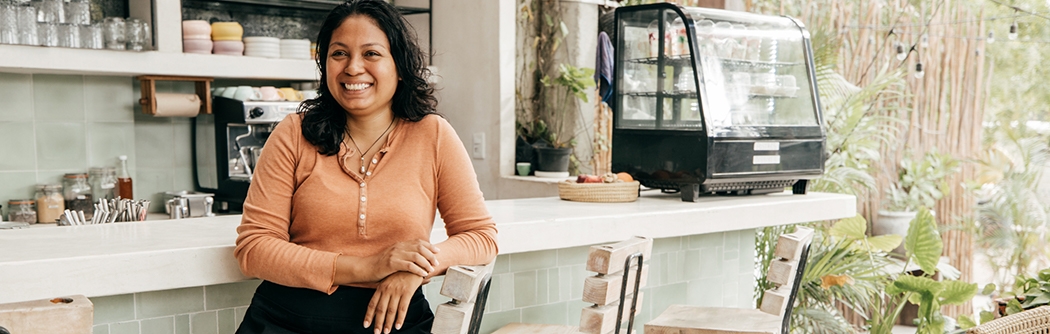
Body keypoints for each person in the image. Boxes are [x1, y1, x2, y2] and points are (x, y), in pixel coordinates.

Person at [233, 1, 499, 333]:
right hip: (286, 320)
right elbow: (255, 249)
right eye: (339, 54)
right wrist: (368, 267)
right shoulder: (293, 133)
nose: (353, 68)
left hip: (395, 321)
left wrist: (416, 268)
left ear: (399, 66)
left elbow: (481, 237)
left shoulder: (433, 135)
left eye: (371, 54)